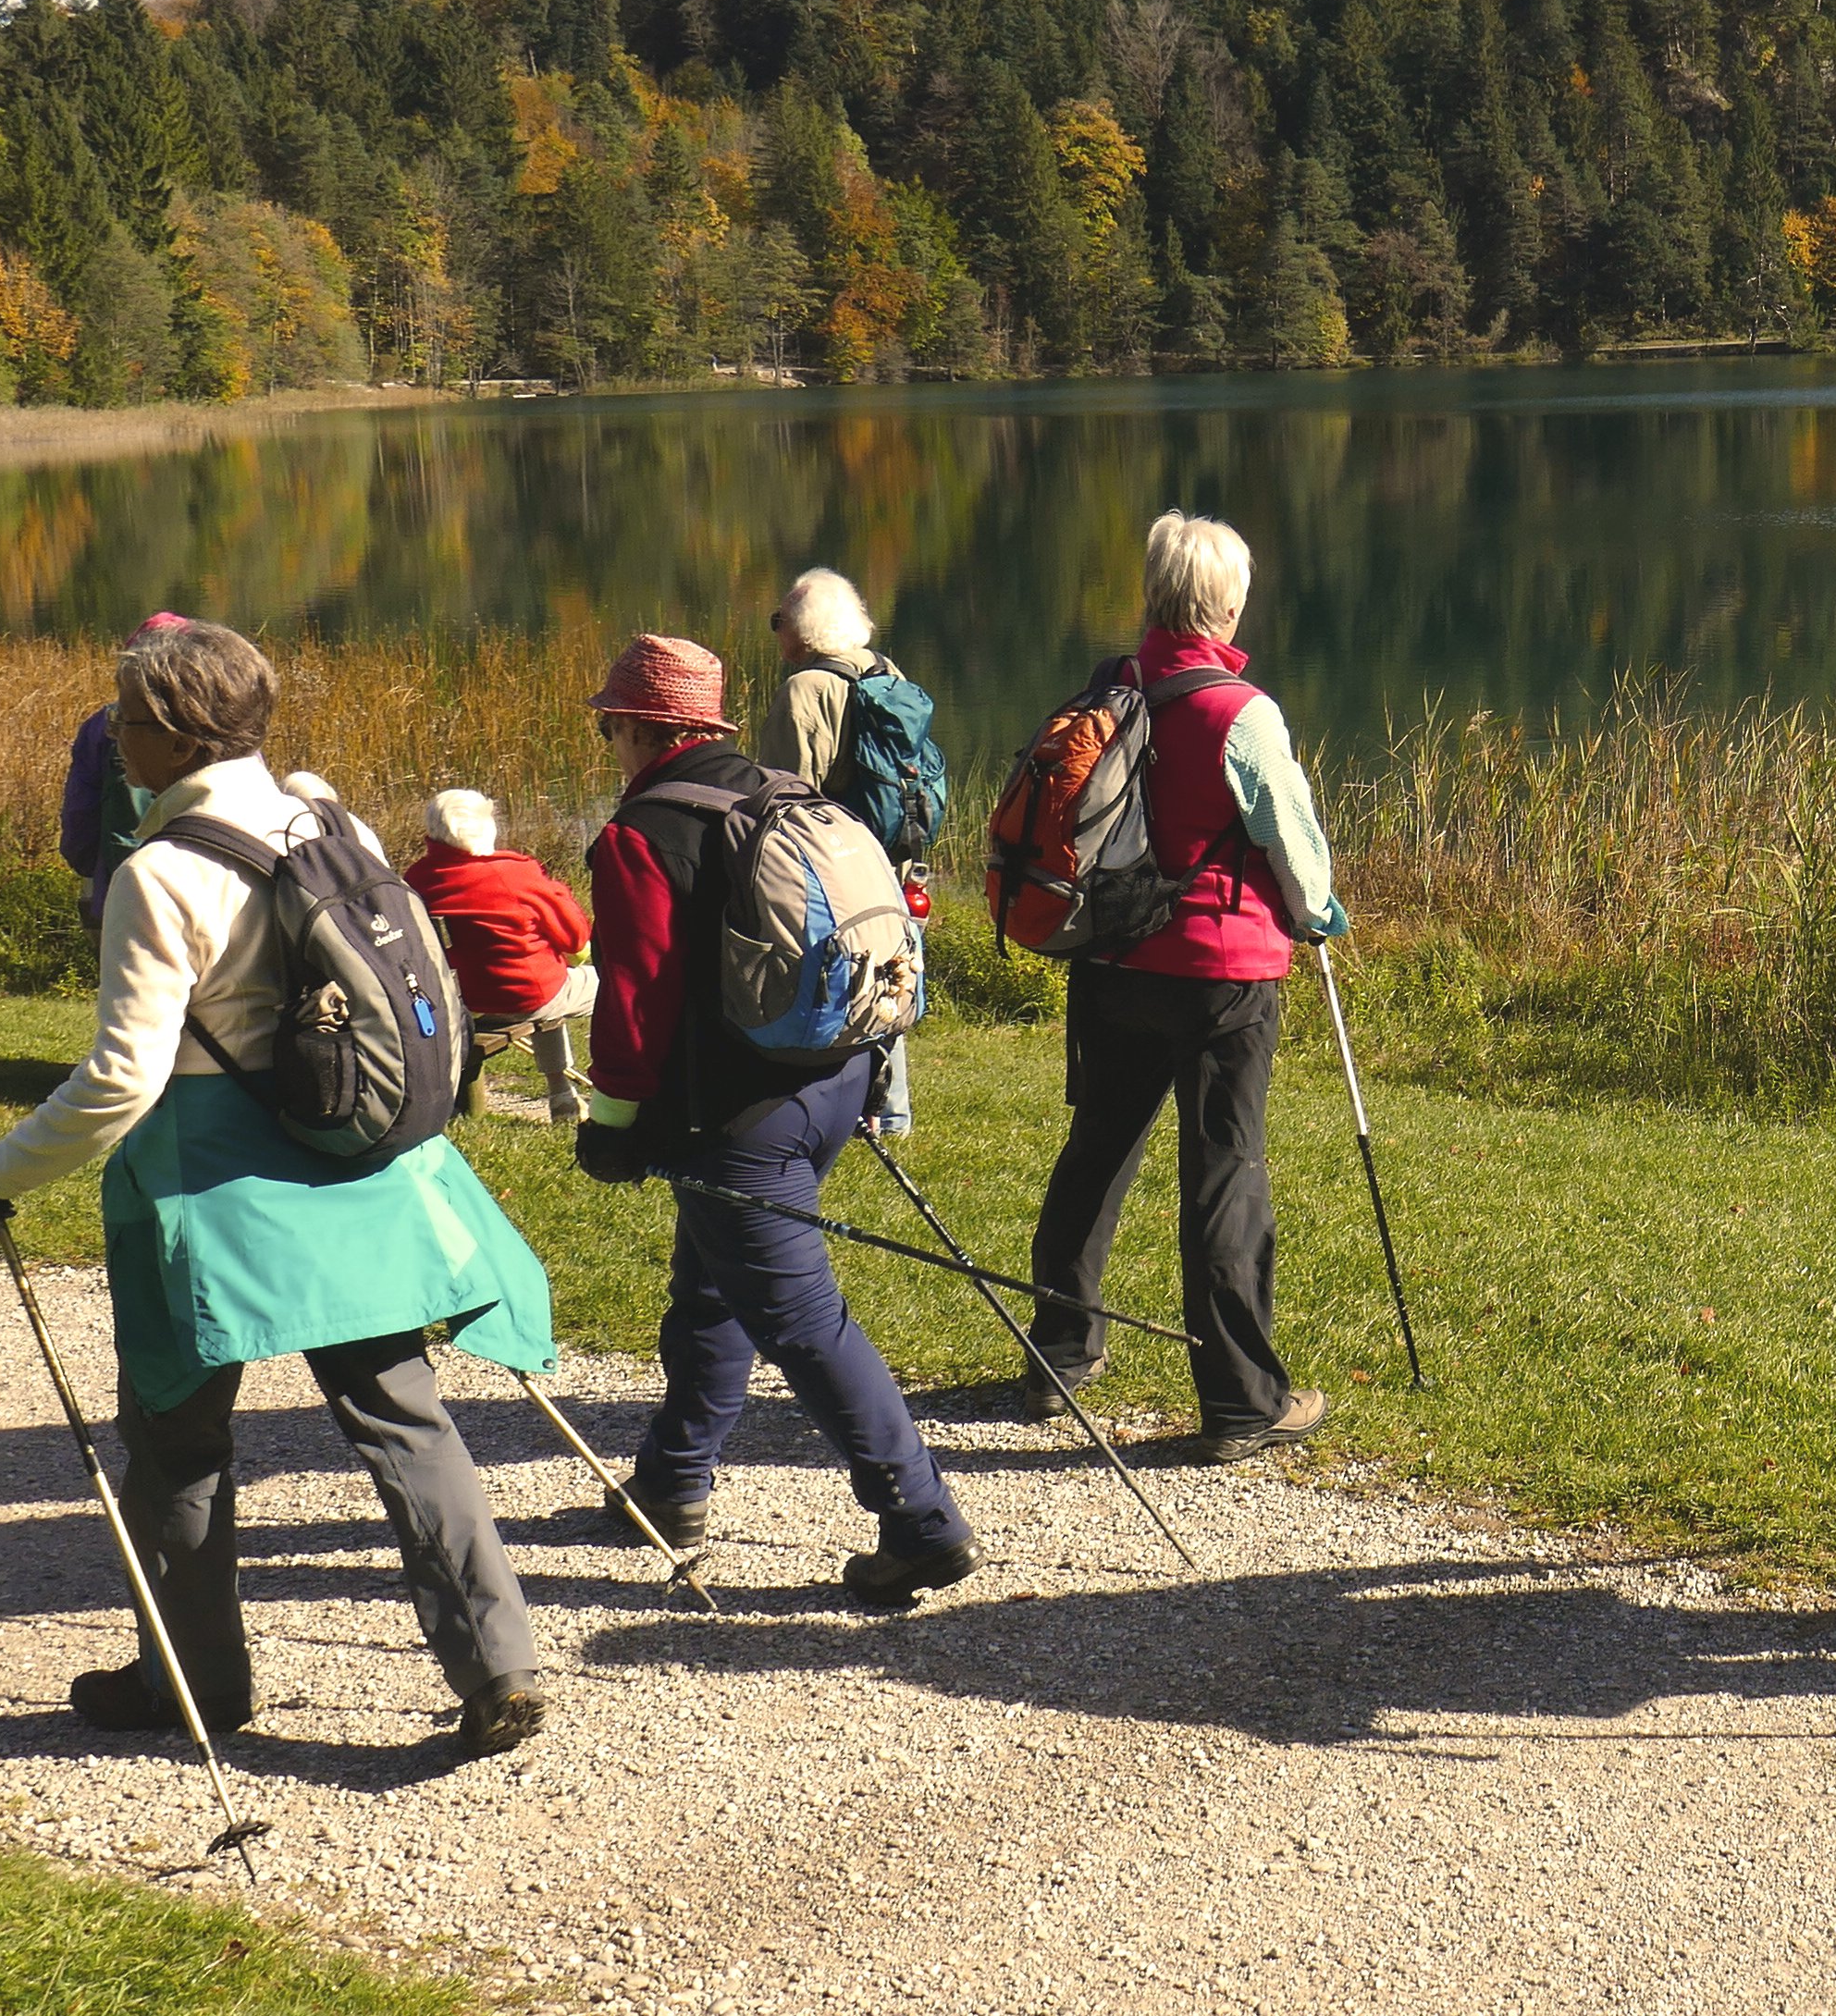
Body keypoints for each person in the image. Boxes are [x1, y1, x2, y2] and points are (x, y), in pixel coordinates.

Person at [0, 618, 557, 1755]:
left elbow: (122, 1081)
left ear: (174, 737)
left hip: (211, 1183)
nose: (112, 740)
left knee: (178, 1443)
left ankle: (195, 1685)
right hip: (350, 1157)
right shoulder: (333, 823)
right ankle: (499, 1668)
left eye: (125, 722)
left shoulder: (159, 870)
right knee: (403, 1415)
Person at [570, 632, 976, 1603]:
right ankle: (670, 1483)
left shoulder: (644, 833)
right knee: (712, 1283)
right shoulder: (785, 795)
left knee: (800, 1319)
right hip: (833, 1085)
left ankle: (921, 1523)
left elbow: (636, 1002)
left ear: (635, 726)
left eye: (611, 729)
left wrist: (614, 1124)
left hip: (739, 1118)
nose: (611, 746)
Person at [1022, 510, 1348, 1462]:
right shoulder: (1240, 713)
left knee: (1097, 1152)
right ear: (1230, 602)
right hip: (1220, 974)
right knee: (1223, 1174)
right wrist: (1319, 916)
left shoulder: (1109, 690)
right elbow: (1294, 847)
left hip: (1114, 962)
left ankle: (1059, 1353)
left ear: (1154, 594)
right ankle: (1243, 1402)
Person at [758, 566, 943, 1137]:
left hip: (836, 868)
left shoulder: (804, 689)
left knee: (832, 978)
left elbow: (784, 794)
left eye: (778, 621)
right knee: (891, 972)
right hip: (893, 858)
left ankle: (827, 1105)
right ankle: (891, 1112)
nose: (776, 632)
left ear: (804, 632)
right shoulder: (886, 672)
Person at [406, 790, 594, 1124]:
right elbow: (575, 936)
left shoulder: (416, 879)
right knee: (612, 982)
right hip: (526, 995)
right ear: (486, 828)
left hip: (460, 1002)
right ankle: (576, 1092)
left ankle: (563, 1094)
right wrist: (559, 892)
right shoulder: (515, 874)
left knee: (542, 979)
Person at [55, 608, 194, 931]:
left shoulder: (100, 727)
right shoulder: (220, 726)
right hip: (203, 896)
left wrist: (90, 869)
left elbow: (80, 815)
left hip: (118, 891)